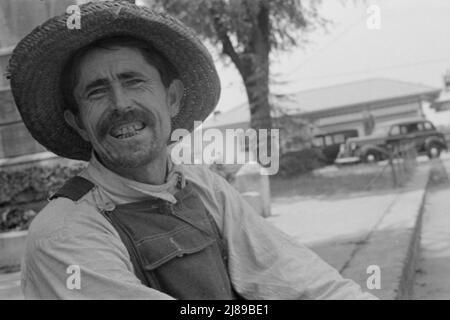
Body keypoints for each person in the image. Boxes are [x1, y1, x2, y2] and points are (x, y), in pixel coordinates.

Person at [8, 0, 377, 300]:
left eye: (133, 81)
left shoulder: (204, 187)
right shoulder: (64, 232)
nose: (120, 104)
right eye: (97, 91)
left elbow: (297, 276)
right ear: (78, 123)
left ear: (172, 99)